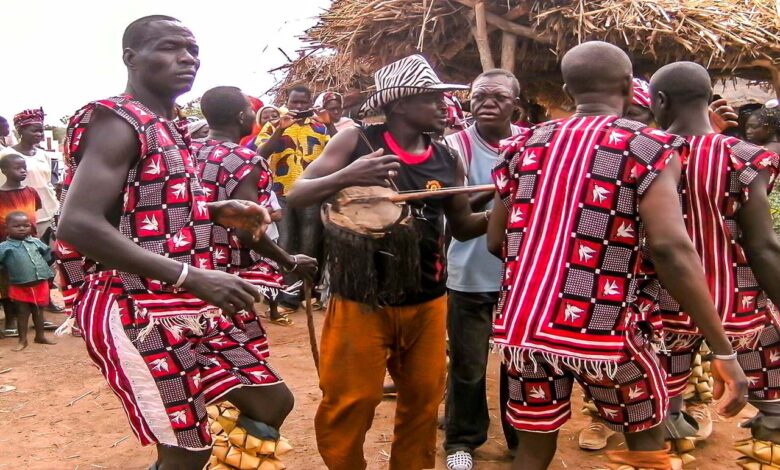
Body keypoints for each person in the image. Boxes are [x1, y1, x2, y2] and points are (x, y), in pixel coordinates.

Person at [486, 41, 748, 470]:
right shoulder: (648, 147)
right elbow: (670, 248)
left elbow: (495, 240)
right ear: (628, 86)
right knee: (646, 445)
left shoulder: (523, 145)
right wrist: (723, 351)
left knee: (532, 451)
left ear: (567, 90)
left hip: (522, 330)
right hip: (606, 329)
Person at [55, 16, 292, 470]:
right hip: (132, 304)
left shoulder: (170, 126)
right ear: (131, 58)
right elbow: (78, 224)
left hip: (184, 302)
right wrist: (190, 276)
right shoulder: (117, 120)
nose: (187, 59)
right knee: (187, 453)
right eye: (169, 48)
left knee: (270, 401)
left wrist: (214, 210)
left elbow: (140, 205)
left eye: (192, 50)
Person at [287, 54, 490, 470]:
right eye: (431, 98)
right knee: (352, 401)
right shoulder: (356, 142)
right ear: (400, 103)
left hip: (428, 298)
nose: (443, 105)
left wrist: (507, 201)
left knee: (423, 400)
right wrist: (348, 175)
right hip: (361, 299)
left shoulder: (447, 158)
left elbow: (463, 225)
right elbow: (297, 194)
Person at [648, 61, 780, 468]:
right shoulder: (745, 158)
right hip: (739, 304)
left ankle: (670, 442)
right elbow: (762, 246)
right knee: (776, 410)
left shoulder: (642, 154)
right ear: (709, 99)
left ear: (660, 101)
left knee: (661, 410)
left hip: (664, 305)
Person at [442, 68, 524, 470]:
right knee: (468, 365)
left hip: (522, 276)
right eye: (479, 96)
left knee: (521, 366)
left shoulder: (532, 144)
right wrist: (504, 190)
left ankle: (521, 439)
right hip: (469, 272)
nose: (487, 103)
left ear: (516, 106)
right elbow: (454, 215)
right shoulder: (454, 146)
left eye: (499, 97)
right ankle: (461, 440)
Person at [193, 85, 317, 327]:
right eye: (250, 109)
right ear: (241, 116)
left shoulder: (188, 151)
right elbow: (246, 230)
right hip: (229, 280)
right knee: (236, 342)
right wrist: (290, 261)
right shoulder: (246, 160)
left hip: (191, 270)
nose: (253, 114)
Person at [257, 85, 330, 313]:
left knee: (310, 243)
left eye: (303, 102)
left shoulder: (320, 127)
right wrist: (280, 129)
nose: (299, 107)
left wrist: (330, 123)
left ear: (310, 102)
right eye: (294, 102)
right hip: (282, 193)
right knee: (285, 243)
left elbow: (339, 151)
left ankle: (307, 292)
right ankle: (289, 296)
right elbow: (260, 154)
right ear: (287, 102)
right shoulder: (272, 125)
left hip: (312, 192)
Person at [0, 108, 58, 240]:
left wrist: (56, 210)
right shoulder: (5, 155)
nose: (39, 134)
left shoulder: (44, 155)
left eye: (41, 131)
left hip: (48, 213)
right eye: (34, 130)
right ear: (21, 131)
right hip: (20, 220)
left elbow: (48, 183)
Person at [0, 211, 55, 350]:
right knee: (22, 313)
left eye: (26, 225)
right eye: (16, 226)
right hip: (19, 285)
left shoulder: (36, 242)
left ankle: (40, 336)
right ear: (7, 228)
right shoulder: (4, 247)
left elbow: (47, 254)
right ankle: (22, 340)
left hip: (40, 283)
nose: (22, 228)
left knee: (39, 311)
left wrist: (42, 266)